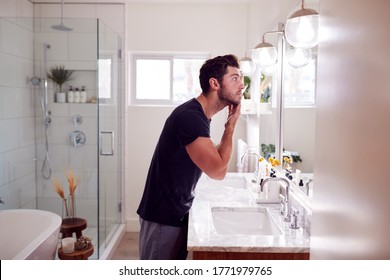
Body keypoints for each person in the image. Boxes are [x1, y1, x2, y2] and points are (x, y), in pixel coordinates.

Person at [136, 54, 244, 260]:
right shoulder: (190, 117)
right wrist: (230, 126)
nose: (242, 85)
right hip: (163, 217)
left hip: (173, 213)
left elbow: (213, 157)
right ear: (215, 83)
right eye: (235, 78)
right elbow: (218, 171)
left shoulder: (200, 116)